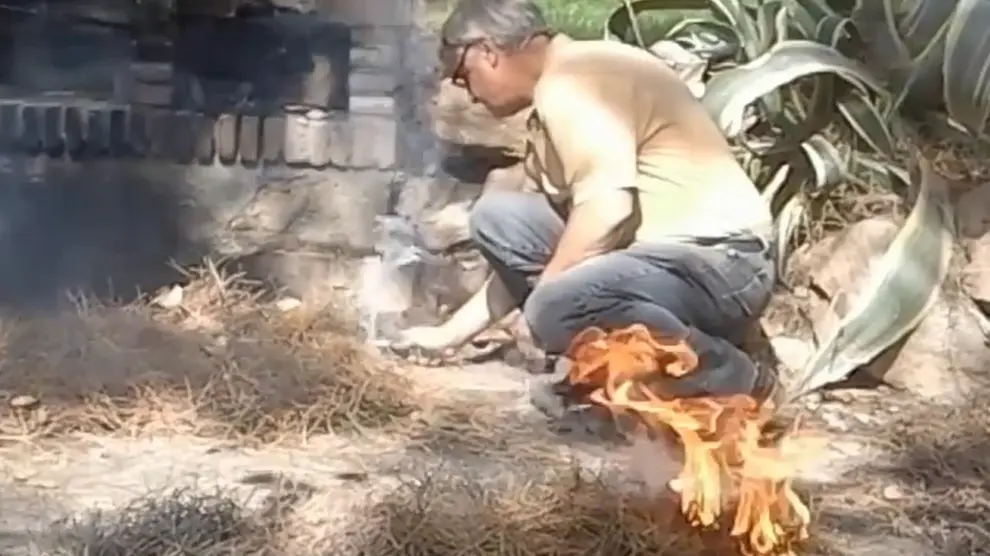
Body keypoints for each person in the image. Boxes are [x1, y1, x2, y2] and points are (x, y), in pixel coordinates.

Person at [395, 0, 777, 403]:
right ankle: (619, 372)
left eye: (463, 77)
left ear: (487, 53)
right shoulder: (567, 79)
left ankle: (731, 376)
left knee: (555, 305)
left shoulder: (575, 85)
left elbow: (607, 212)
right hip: (669, 259)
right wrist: (447, 336)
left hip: (721, 265)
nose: (468, 97)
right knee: (499, 219)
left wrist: (544, 301)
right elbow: (567, 239)